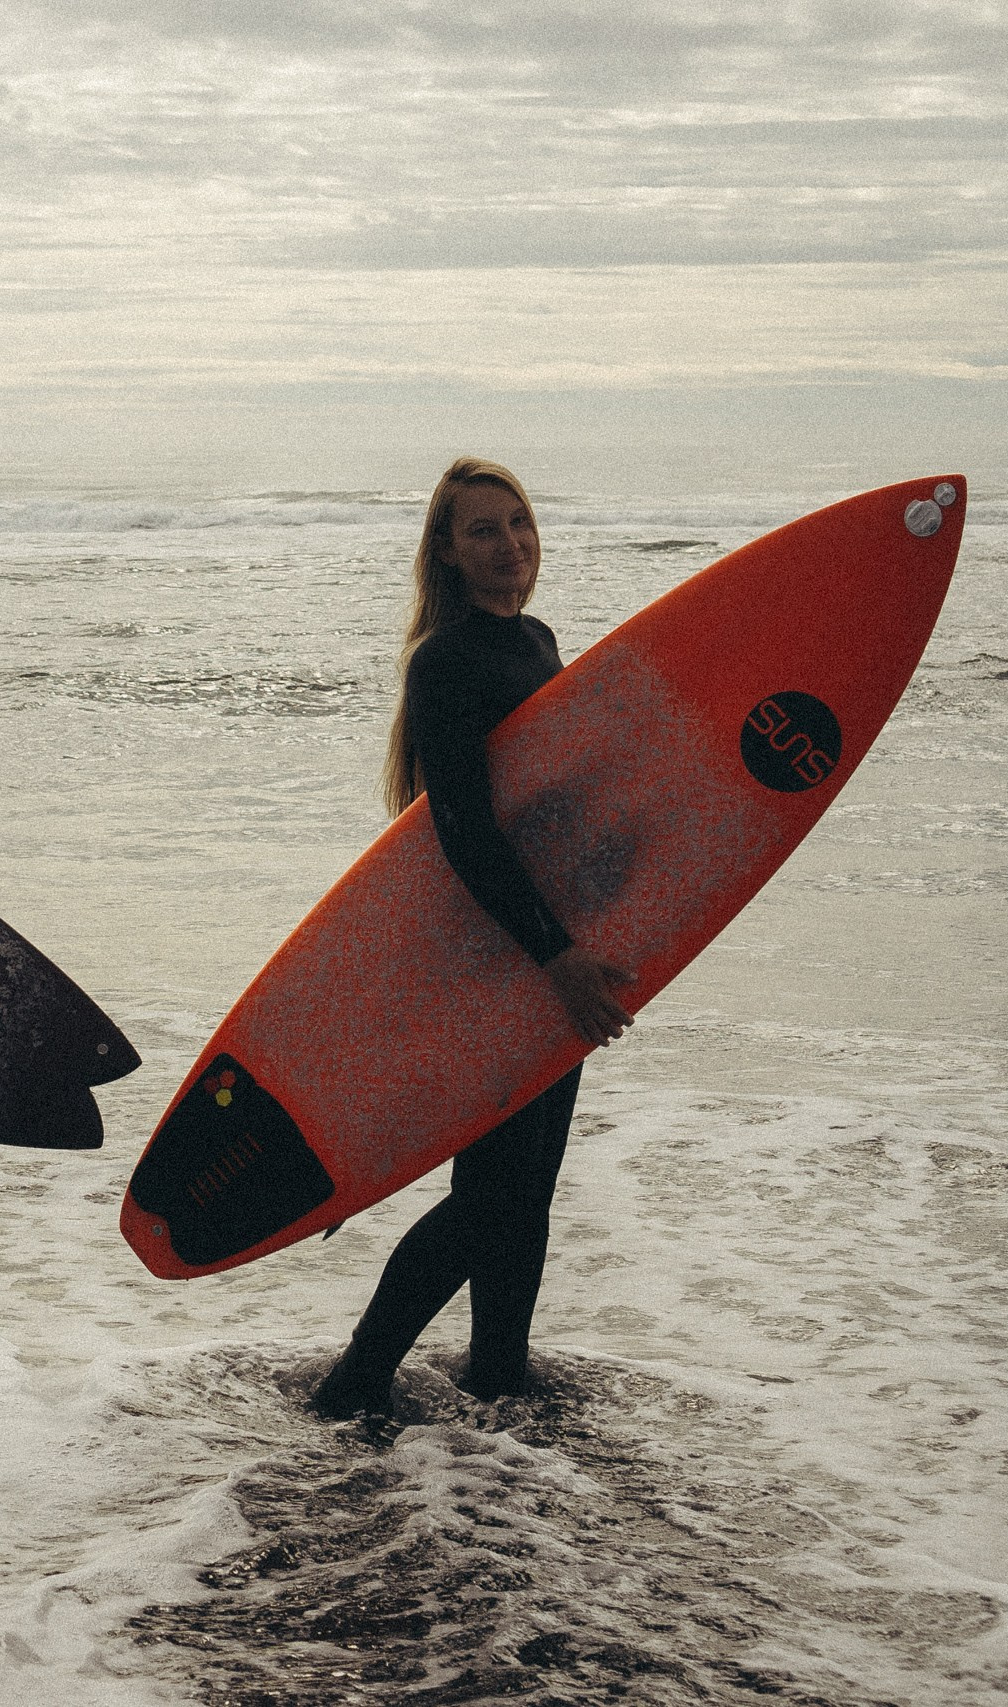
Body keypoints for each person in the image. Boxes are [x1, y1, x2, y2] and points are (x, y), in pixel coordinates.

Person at [311, 457, 634, 1417]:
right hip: (498, 953)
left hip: (548, 944)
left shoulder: (537, 640)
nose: (509, 546)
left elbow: (552, 801)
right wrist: (556, 955)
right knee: (493, 1194)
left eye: (518, 524)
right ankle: (354, 1381)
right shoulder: (445, 662)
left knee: (526, 1189)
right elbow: (466, 830)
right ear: (447, 551)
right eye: (483, 531)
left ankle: (499, 1373)